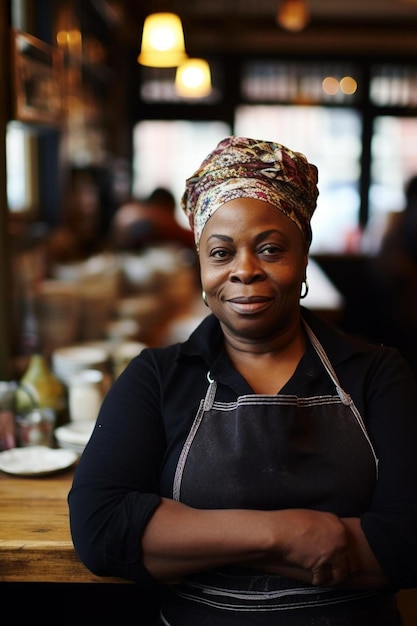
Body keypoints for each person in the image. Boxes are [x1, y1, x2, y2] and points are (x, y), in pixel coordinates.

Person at [68, 136, 417, 625]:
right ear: (201, 262)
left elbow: (405, 542)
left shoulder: (378, 373)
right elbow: (101, 530)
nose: (244, 271)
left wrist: (189, 539)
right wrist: (287, 534)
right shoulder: (157, 377)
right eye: (221, 253)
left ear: (303, 254)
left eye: (271, 249)